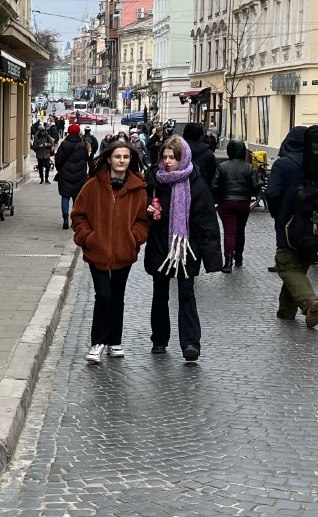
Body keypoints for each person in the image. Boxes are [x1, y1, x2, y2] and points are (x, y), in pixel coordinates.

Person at [71, 140, 151, 363]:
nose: (121, 160)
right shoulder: (93, 186)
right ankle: (98, 342)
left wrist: (134, 238)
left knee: (117, 297)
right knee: (103, 296)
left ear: (130, 160)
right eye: (117, 156)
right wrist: (88, 237)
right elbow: (78, 215)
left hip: (124, 252)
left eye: (125, 157)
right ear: (109, 159)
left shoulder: (138, 188)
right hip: (97, 251)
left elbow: (143, 221)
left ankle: (115, 341)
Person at [145, 136, 222, 360]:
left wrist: (212, 258)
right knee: (160, 294)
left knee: (187, 294)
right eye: (165, 157)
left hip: (186, 248)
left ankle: (190, 342)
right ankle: (159, 339)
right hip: (160, 245)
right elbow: (138, 210)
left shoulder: (196, 184)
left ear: (183, 158)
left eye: (173, 157)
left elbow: (206, 221)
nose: (168, 162)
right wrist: (147, 211)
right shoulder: (154, 181)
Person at [266, 125, 318, 328]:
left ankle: (309, 301)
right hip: (314, 227)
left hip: (288, 223)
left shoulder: (283, 164)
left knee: (286, 264)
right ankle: (286, 311)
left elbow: (271, 193)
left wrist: (278, 213)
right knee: (298, 266)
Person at [212, 139, 260, 272]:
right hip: (243, 203)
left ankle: (228, 261)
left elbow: (214, 186)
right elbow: (255, 187)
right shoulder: (249, 167)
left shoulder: (222, 166)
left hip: (226, 202)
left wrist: (220, 196)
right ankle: (239, 257)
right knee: (240, 230)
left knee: (229, 231)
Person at [54, 123, 90, 230]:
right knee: (76, 198)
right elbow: (87, 159)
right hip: (79, 175)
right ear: (78, 132)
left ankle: (65, 219)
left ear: (68, 132)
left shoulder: (64, 144)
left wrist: (60, 170)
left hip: (65, 174)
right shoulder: (83, 145)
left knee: (65, 196)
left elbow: (58, 159)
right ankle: (74, 220)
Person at [181, 122, 218, 188]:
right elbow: (213, 174)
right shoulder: (208, 153)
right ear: (201, 136)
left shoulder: (177, 150)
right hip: (201, 188)